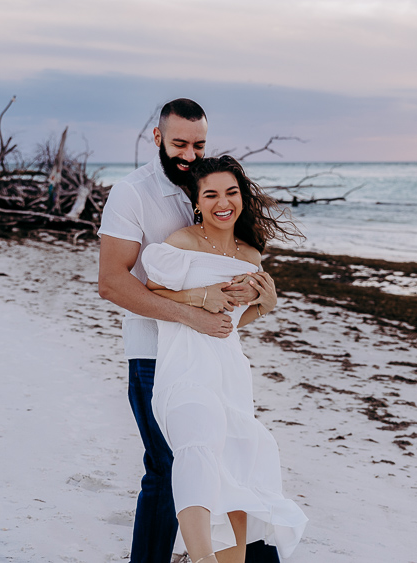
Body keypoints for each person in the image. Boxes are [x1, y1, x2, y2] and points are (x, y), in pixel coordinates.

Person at [98, 100, 283, 563]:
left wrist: (262, 302)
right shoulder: (132, 193)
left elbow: (233, 305)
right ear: (157, 138)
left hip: (216, 361)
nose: (189, 154)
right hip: (152, 354)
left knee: (234, 464)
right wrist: (194, 309)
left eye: (199, 144)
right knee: (165, 470)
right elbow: (112, 282)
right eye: (179, 143)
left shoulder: (209, 186)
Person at [141, 155, 307, 562]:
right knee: (198, 447)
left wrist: (264, 307)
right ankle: (200, 559)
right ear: (197, 201)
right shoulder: (179, 244)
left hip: (230, 374)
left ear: (242, 198)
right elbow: (149, 295)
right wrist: (200, 297)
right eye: (211, 193)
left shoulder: (250, 255)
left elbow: (228, 324)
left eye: (231, 192)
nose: (223, 202)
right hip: (184, 370)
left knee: (236, 471)